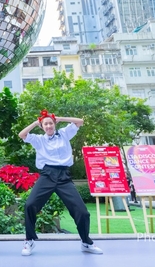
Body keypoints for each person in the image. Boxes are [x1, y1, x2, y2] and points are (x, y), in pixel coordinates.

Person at [18, 110, 102, 256]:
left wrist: (60, 118)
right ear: (42, 126)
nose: (48, 126)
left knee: (82, 211)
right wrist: (36, 123)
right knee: (30, 205)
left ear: (54, 124)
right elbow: (22, 134)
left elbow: (80, 121)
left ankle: (86, 242)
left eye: (51, 123)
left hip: (63, 176)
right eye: (45, 124)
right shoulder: (39, 139)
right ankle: (29, 240)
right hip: (47, 175)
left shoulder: (64, 133)